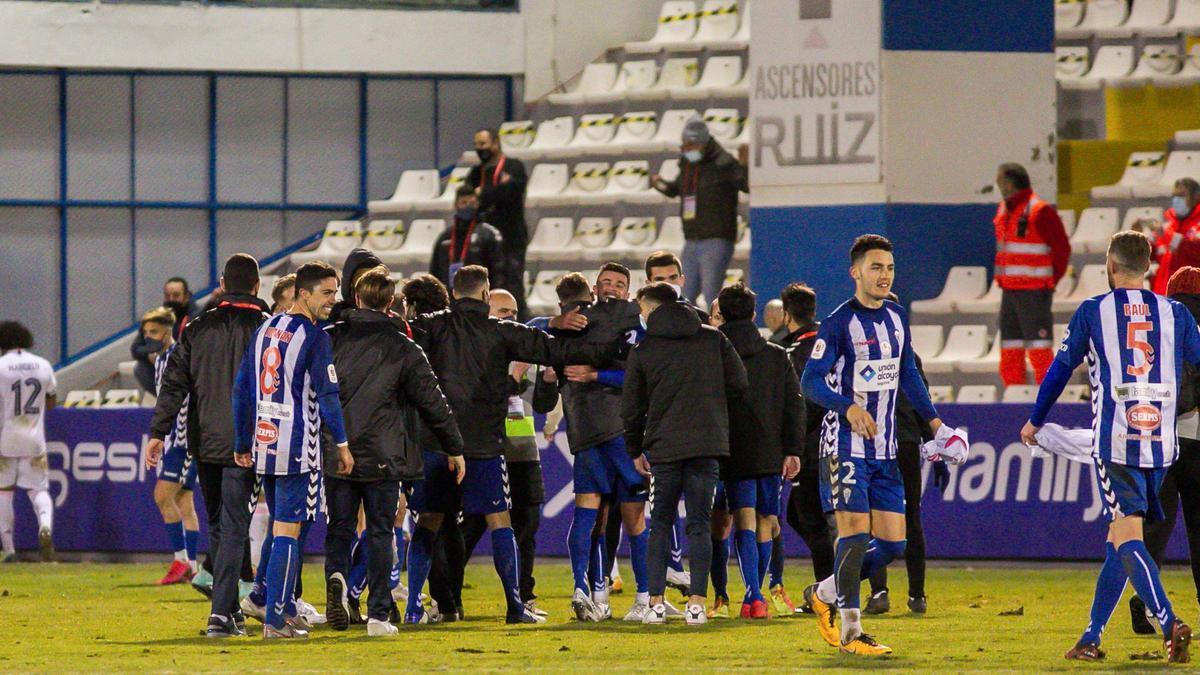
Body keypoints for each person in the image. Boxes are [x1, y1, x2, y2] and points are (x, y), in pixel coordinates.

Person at [1021, 231, 1197, 663]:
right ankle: (1090, 636)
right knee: (1118, 540)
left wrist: (1036, 419)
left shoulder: (1092, 311)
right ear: (1149, 266)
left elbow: (1061, 369)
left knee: (1126, 535)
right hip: (1162, 444)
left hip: (1117, 441)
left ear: (1110, 266)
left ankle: (1168, 620)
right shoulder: (1175, 313)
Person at [406, 265, 613, 624]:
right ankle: (516, 608)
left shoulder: (432, 327)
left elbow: (402, 338)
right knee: (500, 521)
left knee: (429, 520)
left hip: (437, 441)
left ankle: (412, 607)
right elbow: (554, 351)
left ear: (455, 293)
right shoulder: (500, 332)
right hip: (485, 445)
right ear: (486, 295)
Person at [800, 234, 951, 656]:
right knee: (853, 534)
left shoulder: (898, 318)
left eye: (889, 268)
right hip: (846, 445)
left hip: (886, 449)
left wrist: (934, 421)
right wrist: (847, 407)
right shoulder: (837, 323)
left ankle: (824, 592)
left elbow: (908, 375)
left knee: (892, 544)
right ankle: (851, 630)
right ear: (855, 272)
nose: (884, 275)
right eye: (875, 267)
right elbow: (809, 382)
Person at [322, 267, 464, 635]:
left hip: (338, 449)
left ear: (355, 298)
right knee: (381, 531)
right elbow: (433, 401)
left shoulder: (329, 339)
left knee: (339, 526)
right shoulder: (403, 345)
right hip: (385, 452)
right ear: (391, 303)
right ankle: (379, 614)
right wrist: (454, 446)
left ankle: (336, 579)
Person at [146, 253, 269, 638]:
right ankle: (220, 614)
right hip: (247, 442)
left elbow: (174, 385)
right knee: (234, 525)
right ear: (257, 285)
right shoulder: (268, 328)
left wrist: (158, 432)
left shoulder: (198, 328)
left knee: (219, 523)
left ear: (221, 283)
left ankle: (229, 610)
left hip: (206, 442)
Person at [231, 260, 354, 640]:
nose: (333, 300)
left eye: (335, 292)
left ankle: (274, 605)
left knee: (283, 526)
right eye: (327, 293)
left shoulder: (266, 327)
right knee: (289, 529)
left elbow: (242, 389)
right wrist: (343, 444)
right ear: (303, 293)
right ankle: (277, 618)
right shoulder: (316, 337)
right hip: (299, 445)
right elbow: (329, 395)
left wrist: (241, 440)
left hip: (265, 443)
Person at [622, 282, 749, 625]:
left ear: (650, 310)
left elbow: (631, 408)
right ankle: (696, 605)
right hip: (707, 445)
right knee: (699, 523)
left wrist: (636, 449)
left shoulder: (644, 349)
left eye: (642, 311)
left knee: (660, 523)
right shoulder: (713, 339)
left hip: (663, 448)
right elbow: (739, 383)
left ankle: (656, 604)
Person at [530, 269, 651, 623]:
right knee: (594, 516)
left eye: (619, 284)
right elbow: (540, 399)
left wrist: (594, 374)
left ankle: (636, 595)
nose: (612, 288)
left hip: (621, 432)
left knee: (629, 518)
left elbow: (639, 375)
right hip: (593, 433)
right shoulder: (574, 322)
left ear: (629, 291)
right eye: (606, 283)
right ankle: (589, 590)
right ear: (594, 289)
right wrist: (551, 373)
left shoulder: (633, 318)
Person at [714, 283, 803, 621]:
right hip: (769, 450)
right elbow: (794, 408)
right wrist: (792, 450)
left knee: (741, 520)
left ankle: (750, 594)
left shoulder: (714, 352)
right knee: (767, 520)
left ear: (722, 312)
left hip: (729, 449)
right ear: (753, 313)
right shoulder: (777, 354)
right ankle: (760, 596)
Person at [460, 289, 549, 620]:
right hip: (486, 450)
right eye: (502, 312)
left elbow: (541, 404)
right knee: (468, 529)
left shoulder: (525, 349)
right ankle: (447, 596)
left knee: (528, 526)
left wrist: (550, 380)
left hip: (523, 449)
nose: (510, 318)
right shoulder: (477, 352)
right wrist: (511, 379)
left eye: (513, 312)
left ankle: (525, 596)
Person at [864, 292, 945, 616]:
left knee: (873, 520)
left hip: (876, 446)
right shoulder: (908, 356)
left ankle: (879, 592)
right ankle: (917, 595)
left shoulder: (862, 353)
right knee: (911, 518)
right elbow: (922, 403)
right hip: (907, 444)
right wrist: (934, 446)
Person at [1137, 265, 1200, 635]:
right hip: (1197, 439)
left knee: (1154, 529)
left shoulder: (1153, 329)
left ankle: (1145, 601)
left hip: (1157, 441)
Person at [650, 115, 748, 306]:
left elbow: (745, 185)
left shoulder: (724, 163)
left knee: (712, 293)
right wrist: (659, 184)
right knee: (685, 294)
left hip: (716, 238)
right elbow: (676, 189)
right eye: (684, 145)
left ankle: (715, 333)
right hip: (692, 239)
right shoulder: (688, 165)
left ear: (703, 143)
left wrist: (745, 166)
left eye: (691, 145)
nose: (687, 150)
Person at [778, 282, 834, 603]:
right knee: (803, 518)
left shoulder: (796, 351)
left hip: (808, 449)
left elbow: (802, 403)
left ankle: (828, 594)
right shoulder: (826, 342)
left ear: (787, 315)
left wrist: (793, 444)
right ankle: (832, 585)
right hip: (827, 445)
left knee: (810, 520)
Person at [992, 162, 1071, 386]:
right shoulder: (1004, 209)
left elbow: (1062, 249)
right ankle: (1014, 396)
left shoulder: (1040, 210)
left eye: (1000, 180)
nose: (998, 185)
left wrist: (1049, 281)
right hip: (1009, 290)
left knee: (1039, 349)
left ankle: (1047, 401)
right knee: (1010, 347)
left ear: (1009, 183)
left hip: (1034, 293)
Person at [142, 307, 200, 585]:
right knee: (183, 501)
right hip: (179, 439)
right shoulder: (161, 359)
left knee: (162, 496)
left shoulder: (177, 357)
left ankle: (181, 560)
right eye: (146, 333)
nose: (149, 337)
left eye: (153, 332)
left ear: (168, 330)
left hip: (183, 440)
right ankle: (192, 564)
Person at [0, 321, 57, 563]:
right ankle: (45, 526)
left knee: (4, 493)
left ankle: (10, 549)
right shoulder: (43, 365)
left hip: (7, 437)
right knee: (38, 490)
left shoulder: (1, 366)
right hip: (35, 438)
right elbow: (52, 400)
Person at [466, 127, 530, 320]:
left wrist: (483, 193)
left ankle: (520, 322)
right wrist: (496, 190)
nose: (480, 149)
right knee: (485, 284)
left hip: (510, 237)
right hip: (484, 239)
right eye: (477, 145)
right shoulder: (476, 172)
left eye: (483, 144)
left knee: (512, 283)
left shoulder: (513, 166)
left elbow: (512, 191)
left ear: (496, 143)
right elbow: (467, 196)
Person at [430, 185, 505, 294]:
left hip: (480, 297)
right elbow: (435, 272)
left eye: (472, 203)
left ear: (478, 204)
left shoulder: (488, 234)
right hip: (451, 298)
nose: (468, 207)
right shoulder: (444, 237)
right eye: (464, 203)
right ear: (456, 205)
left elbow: (498, 271)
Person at [131, 277, 200, 392]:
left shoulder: (197, 317)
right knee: (141, 368)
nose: (171, 300)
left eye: (176, 295)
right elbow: (136, 348)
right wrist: (149, 354)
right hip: (166, 368)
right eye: (167, 296)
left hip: (190, 369)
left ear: (186, 297)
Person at [1141, 178, 1200, 294]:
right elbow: (1149, 255)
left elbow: (1195, 250)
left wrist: (1167, 236)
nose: (1177, 200)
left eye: (1182, 195)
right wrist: (1138, 239)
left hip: (1190, 300)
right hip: (1164, 298)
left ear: (1195, 198)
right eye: (1175, 196)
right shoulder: (1168, 227)